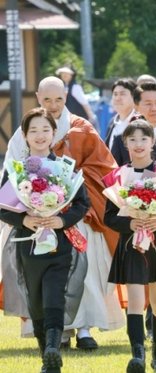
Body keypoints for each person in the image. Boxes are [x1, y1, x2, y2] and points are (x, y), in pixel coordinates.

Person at [2, 76, 124, 349]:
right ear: (37, 97)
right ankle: (54, 334)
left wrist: (72, 184)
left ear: (66, 96)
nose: (54, 105)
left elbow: (104, 169)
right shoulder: (26, 131)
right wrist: (28, 209)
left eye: (58, 99)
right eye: (47, 100)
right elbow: (10, 174)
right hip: (33, 220)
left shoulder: (82, 128)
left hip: (75, 218)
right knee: (35, 283)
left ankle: (83, 328)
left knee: (85, 271)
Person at [0, 107, 90, 373]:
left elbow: (82, 204)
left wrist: (61, 221)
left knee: (54, 294)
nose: (40, 135)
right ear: (25, 136)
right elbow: (3, 207)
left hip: (60, 243)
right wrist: (25, 220)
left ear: (54, 134)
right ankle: (46, 357)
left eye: (45, 130)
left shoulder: (65, 168)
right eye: (33, 130)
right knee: (36, 299)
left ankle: (53, 347)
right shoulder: (17, 170)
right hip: (28, 243)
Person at [104, 119, 156, 372]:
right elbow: (109, 216)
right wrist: (131, 224)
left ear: (153, 142)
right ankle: (137, 355)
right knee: (136, 302)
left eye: (143, 139)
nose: (138, 144)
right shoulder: (117, 177)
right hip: (132, 244)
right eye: (132, 140)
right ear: (124, 143)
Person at [111, 83, 156, 165]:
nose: (154, 108)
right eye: (148, 104)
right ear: (136, 106)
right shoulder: (120, 140)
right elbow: (114, 172)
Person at [104, 78, 137, 149]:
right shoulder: (112, 123)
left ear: (134, 97)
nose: (117, 98)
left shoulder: (140, 121)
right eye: (115, 94)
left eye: (122, 94)